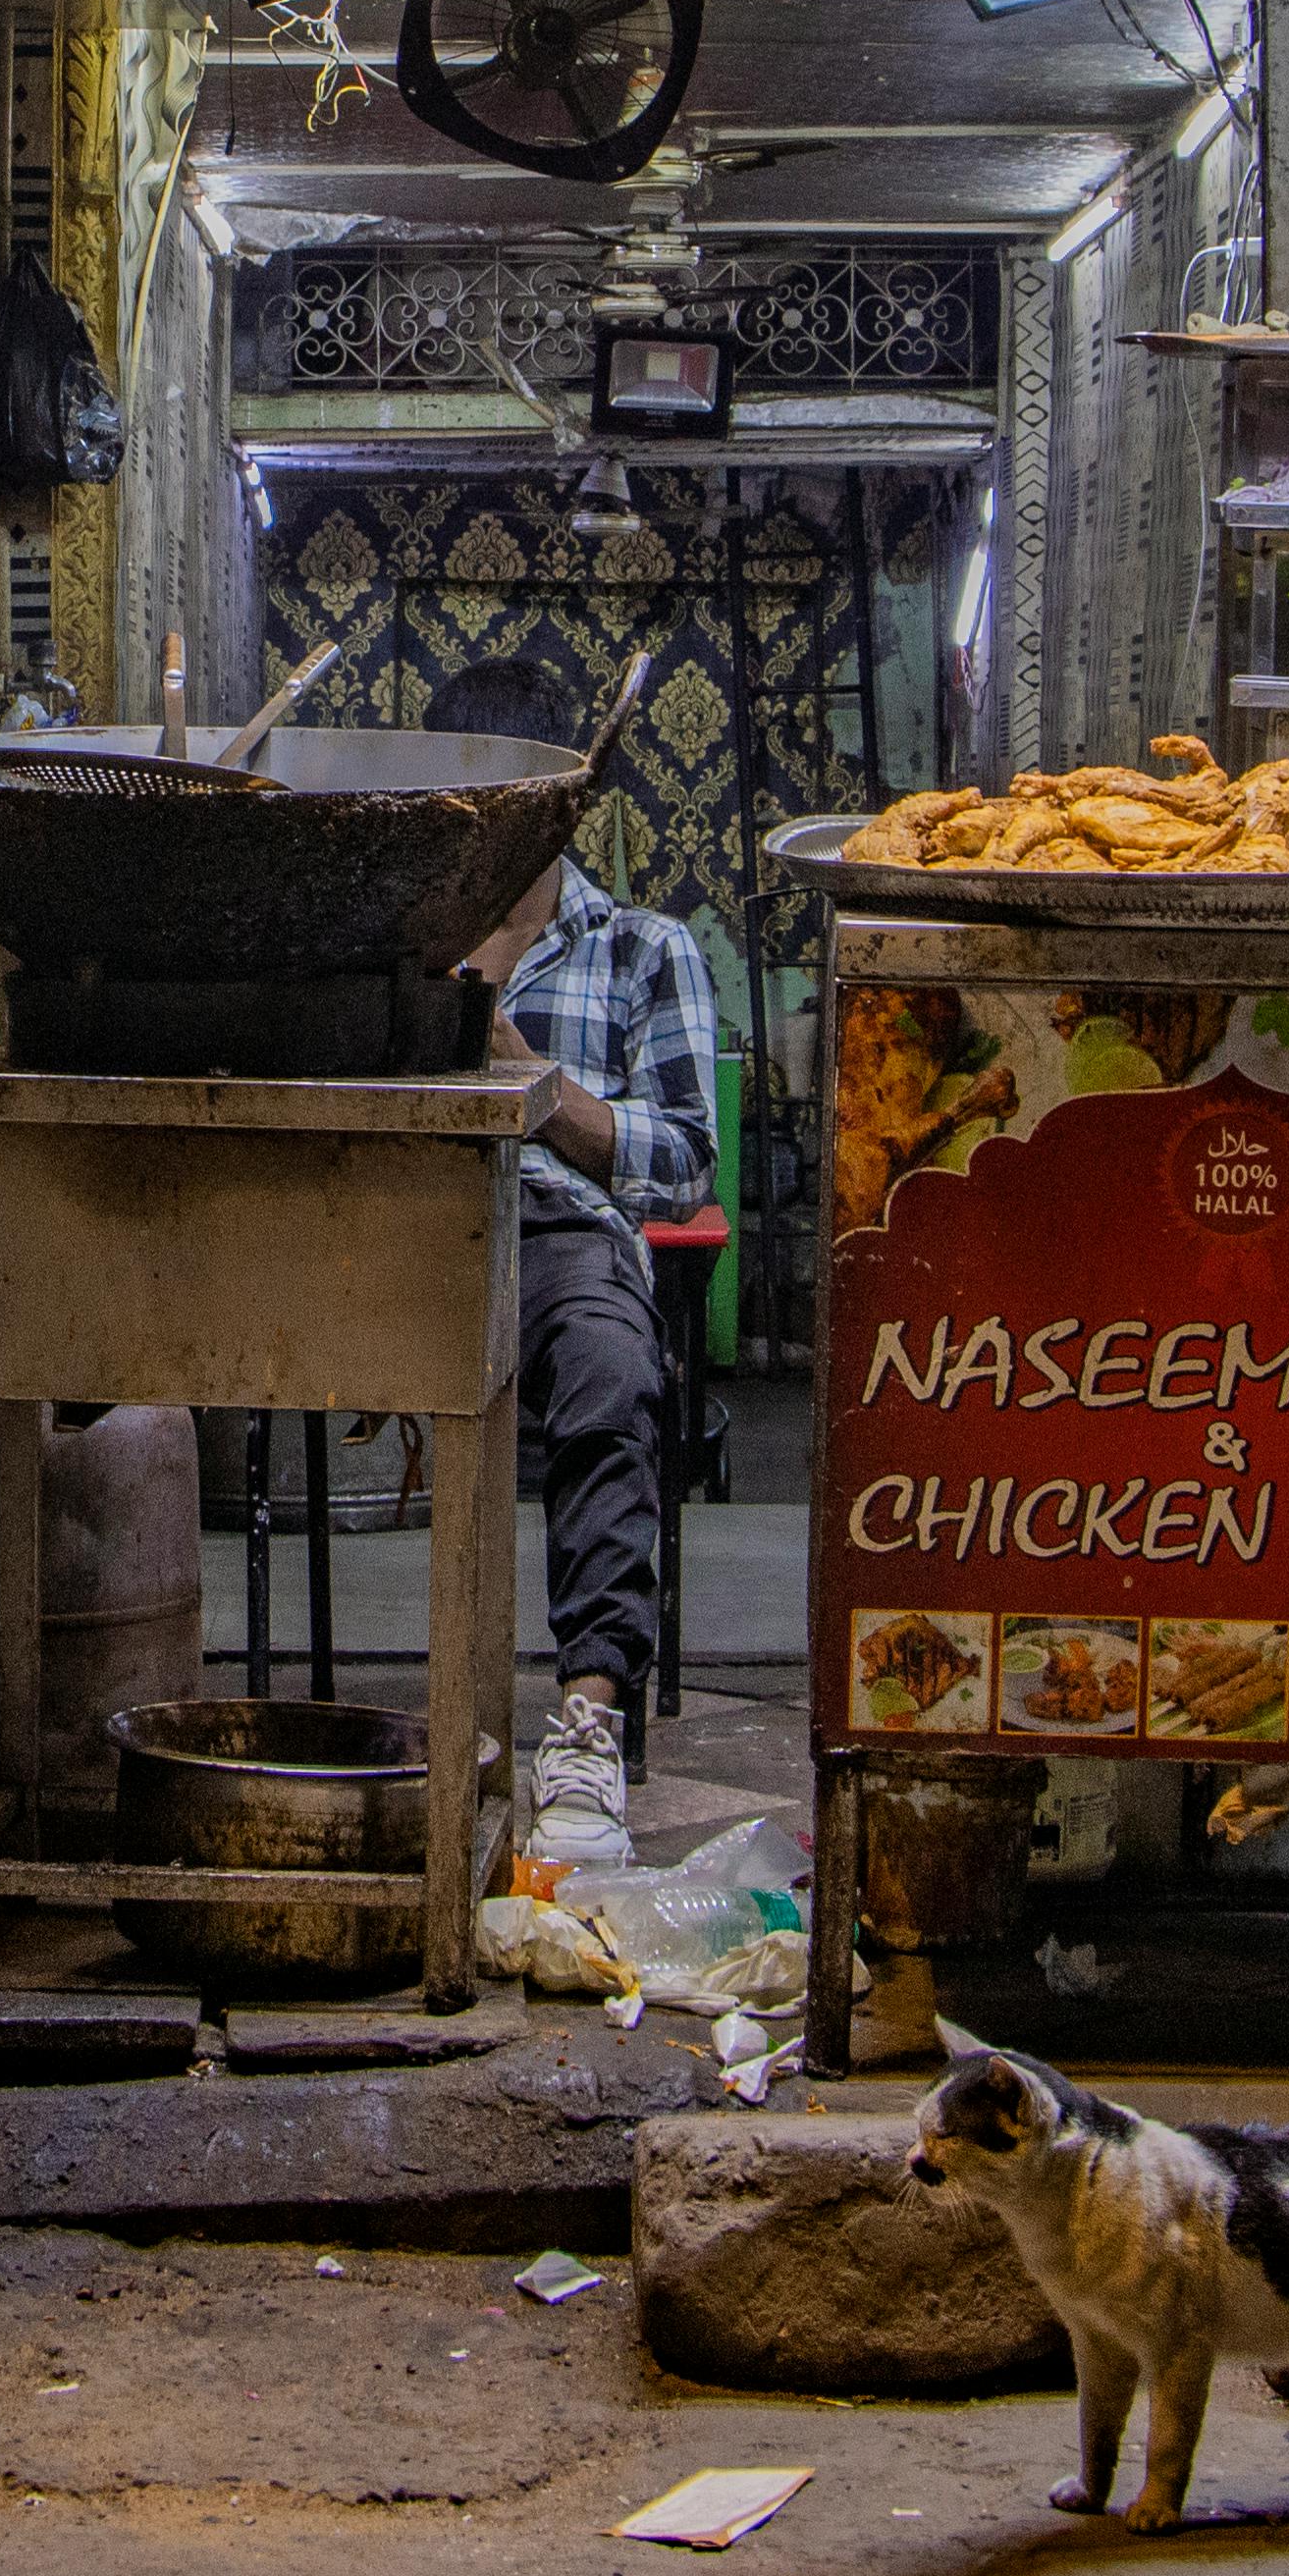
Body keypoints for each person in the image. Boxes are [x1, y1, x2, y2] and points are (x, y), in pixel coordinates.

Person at [430, 660, 721, 1871]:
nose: (475, 822)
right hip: (402, 1222)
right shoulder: (402, 941)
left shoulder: (646, 949)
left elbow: (684, 1157)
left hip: (556, 1229)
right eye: (456, 796)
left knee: (611, 1377)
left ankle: (589, 1720)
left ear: (558, 805)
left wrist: (534, 1087)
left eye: (503, 797)